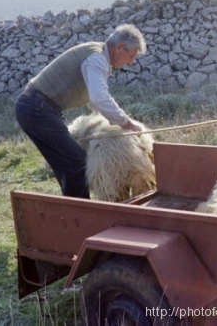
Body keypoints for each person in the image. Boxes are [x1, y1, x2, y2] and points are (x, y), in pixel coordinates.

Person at [15, 24, 146, 199]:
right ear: (119, 47)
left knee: (66, 163)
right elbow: (99, 97)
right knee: (75, 162)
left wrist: (109, 123)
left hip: (39, 108)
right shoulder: (96, 58)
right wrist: (125, 122)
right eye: (130, 56)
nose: (131, 62)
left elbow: (95, 98)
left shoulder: (99, 56)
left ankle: (76, 210)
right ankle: (80, 216)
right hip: (36, 109)